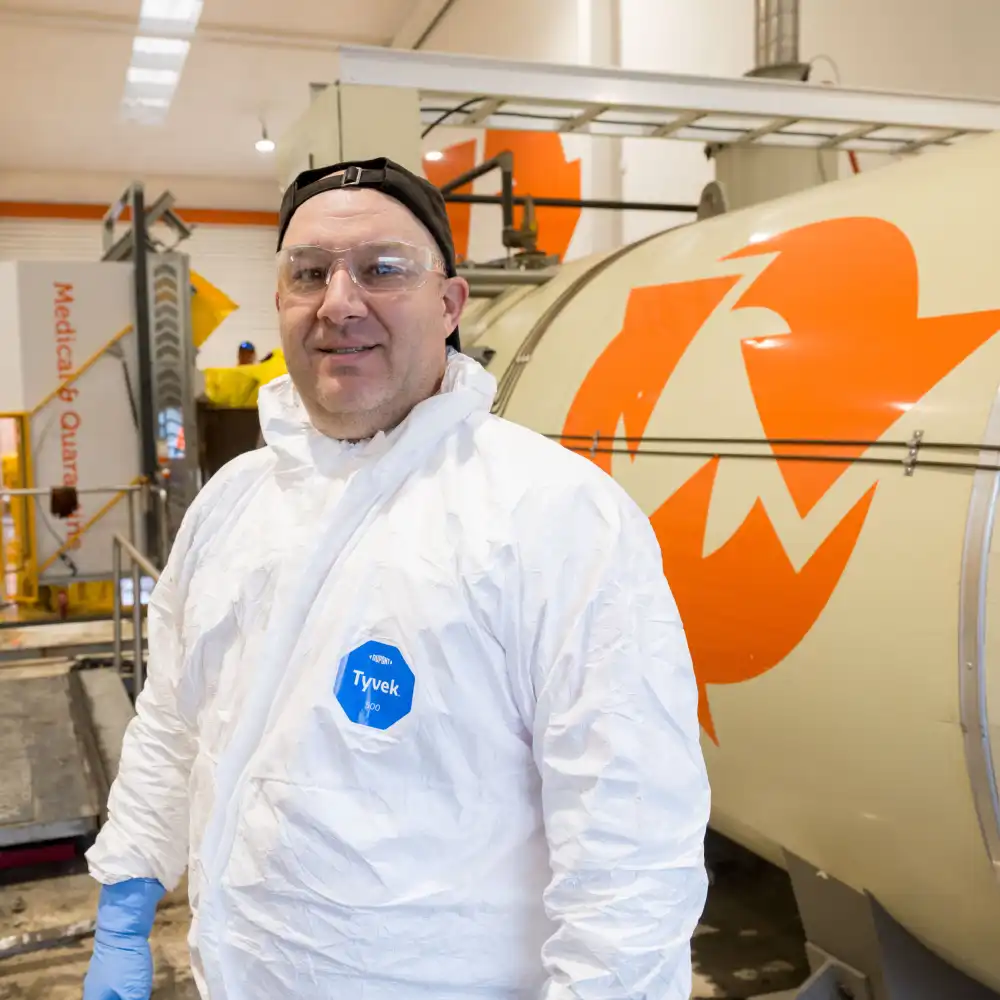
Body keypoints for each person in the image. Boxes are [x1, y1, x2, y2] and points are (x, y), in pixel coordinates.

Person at [81, 156, 711, 1000]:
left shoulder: (553, 516)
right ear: (281, 303)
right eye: (309, 274)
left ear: (450, 304)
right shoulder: (234, 503)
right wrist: (125, 902)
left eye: (381, 270)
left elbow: (629, 845)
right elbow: (170, 723)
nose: (340, 303)